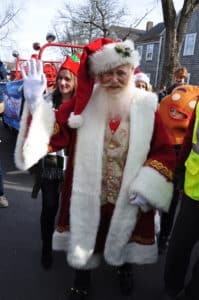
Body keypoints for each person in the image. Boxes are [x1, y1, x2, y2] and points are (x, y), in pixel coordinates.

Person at [15, 38, 176, 299]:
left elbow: (164, 151)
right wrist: (35, 105)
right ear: (98, 76)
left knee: (124, 237)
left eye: (120, 73)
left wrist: (149, 185)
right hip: (88, 194)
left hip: (128, 195)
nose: (113, 79)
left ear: (130, 72)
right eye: (107, 73)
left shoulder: (147, 107)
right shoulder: (83, 106)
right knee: (85, 241)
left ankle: (125, 270)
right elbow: (54, 131)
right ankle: (82, 279)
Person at [26, 54, 80, 270]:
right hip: (52, 161)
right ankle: (46, 246)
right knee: (49, 206)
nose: (63, 83)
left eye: (68, 79)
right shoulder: (49, 100)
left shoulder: (82, 103)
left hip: (76, 163)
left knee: (73, 209)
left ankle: (70, 245)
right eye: (60, 78)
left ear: (75, 81)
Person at [164, 94, 199, 300]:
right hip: (194, 190)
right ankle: (171, 290)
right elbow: (189, 139)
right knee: (179, 246)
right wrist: (178, 170)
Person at [157, 85, 199, 254]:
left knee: (170, 201)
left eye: (180, 114)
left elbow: (189, 138)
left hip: (180, 160)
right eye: (174, 113)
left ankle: (164, 236)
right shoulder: (165, 105)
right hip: (164, 154)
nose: (175, 116)